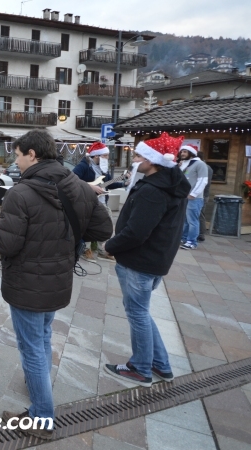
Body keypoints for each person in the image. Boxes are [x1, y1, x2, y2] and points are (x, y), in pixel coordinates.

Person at [0, 130, 112, 440]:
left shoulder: (19, 193)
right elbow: (103, 227)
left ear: (32, 155)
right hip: (58, 278)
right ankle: (37, 381)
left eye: (17, 155)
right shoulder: (76, 184)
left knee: (31, 347)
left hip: (28, 284)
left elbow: (6, 244)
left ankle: (42, 417)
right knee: (41, 336)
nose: (15, 162)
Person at [103, 132, 190, 387]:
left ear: (153, 160)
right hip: (153, 260)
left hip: (140, 261)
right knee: (142, 312)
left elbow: (137, 232)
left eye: (139, 155)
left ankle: (140, 368)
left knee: (137, 314)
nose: (134, 159)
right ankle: (160, 364)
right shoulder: (169, 183)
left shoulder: (154, 189)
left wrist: (111, 245)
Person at [72, 142, 129, 261]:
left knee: (105, 225)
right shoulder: (84, 165)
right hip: (87, 201)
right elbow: (73, 179)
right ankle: (84, 250)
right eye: (105, 156)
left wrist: (124, 183)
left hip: (102, 202)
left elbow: (109, 183)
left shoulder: (103, 169)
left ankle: (103, 249)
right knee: (86, 225)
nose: (107, 158)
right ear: (97, 156)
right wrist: (91, 187)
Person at [178, 143, 208, 249]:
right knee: (185, 220)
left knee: (192, 221)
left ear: (191, 153)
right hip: (185, 196)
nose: (182, 153)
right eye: (182, 151)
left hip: (194, 198)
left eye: (185, 151)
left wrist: (193, 194)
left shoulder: (200, 164)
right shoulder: (185, 164)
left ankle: (192, 241)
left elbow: (203, 180)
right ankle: (184, 238)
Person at [197, 151, 213, 242]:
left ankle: (201, 234)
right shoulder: (208, 167)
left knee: (200, 215)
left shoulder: (204, 167)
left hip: (202, 194)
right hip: (204, 194)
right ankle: (201, 233)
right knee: (200, 214)